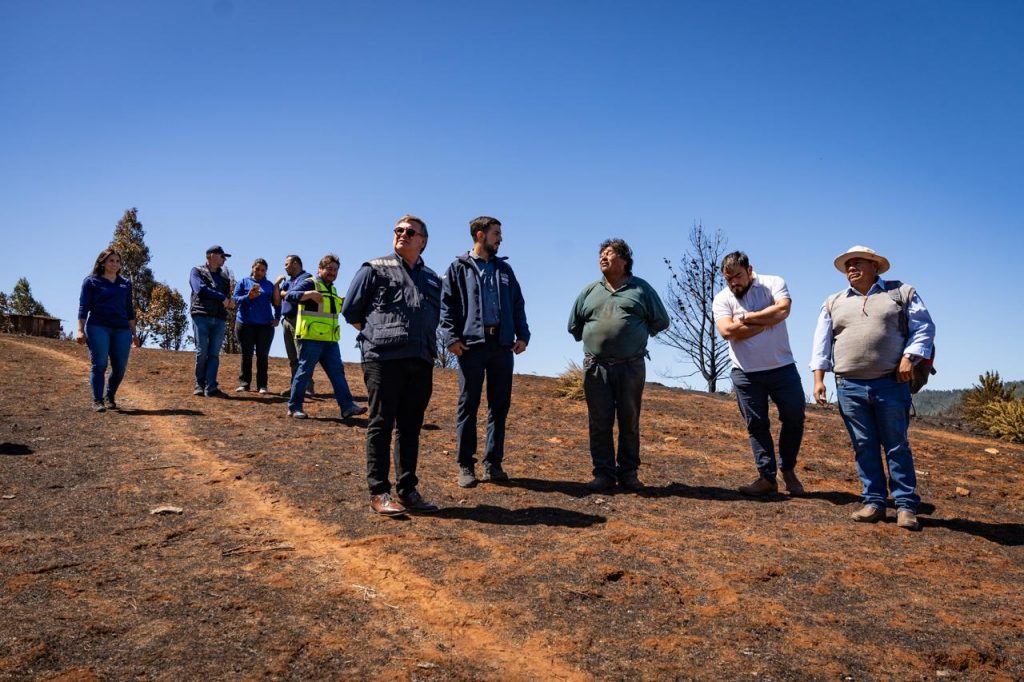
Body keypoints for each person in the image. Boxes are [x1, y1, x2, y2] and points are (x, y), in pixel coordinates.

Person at [811, 245, 935, 531]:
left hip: (891, 383)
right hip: (849, 385)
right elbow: (822, 343)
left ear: (875, 267)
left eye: (858, 263)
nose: (851, 269)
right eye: (848, 265)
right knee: (863, 445)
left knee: (896, 444)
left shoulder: (900, 293)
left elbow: (924, 328)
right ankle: (874, 502)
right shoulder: (833, 301)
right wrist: (819, 379)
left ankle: (905, 506)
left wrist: (908, 358)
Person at [342, 215, 442, 516]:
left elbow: (436, 318)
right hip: (383, 358)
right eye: (398, 230)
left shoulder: (434, 279)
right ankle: (379, 491)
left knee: (411, 426)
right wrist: (377, 335)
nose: (403, 235)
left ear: (423, 241)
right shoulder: (373, 268)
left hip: (421, 358)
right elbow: (352, 311)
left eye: (410, 232)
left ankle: (407, 490)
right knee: (381, 422)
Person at [568, 239, 670, 492]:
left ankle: (628, 474)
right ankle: (603, 474)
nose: (603, 257)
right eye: (601, 253)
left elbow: (661, 321)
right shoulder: (590, 291)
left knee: (629, 419)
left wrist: (633, 334)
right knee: (599, 421)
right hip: (596, 367)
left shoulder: (641, 289)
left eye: (609, 253)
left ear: (624, 260)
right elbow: (575, 326)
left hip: (631, 366)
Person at [440, 216, 531, 488]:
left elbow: (517, 303)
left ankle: (493, 463)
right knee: (468, 404)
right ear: (480, 235)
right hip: (471, 346)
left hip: (502, 345)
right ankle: (465, 466)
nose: (500, 238)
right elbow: (447, 307)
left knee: (499, 405)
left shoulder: (505, 270)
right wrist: (451, 339)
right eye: (496, 233)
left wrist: (523, 335)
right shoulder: (458, 268)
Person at [713, 251, 806, 496]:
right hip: (745, 373)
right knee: (756, 425)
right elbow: (726, 331)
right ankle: (767, 477)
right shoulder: (722, 299)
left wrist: (747, 318)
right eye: (728, 278)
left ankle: (788, 469)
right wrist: (767, 320)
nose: (734, 283)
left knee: (794, 417)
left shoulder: (773, 283)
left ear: (750, 270)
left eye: (738, 276)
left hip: (782, 367)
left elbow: (784, 310)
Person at [285, 254, 368, 421]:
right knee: (304, 373)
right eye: (329, 269)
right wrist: (308, 294)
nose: (332, 272)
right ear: (320, 269)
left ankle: (347, 407)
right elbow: (289, 295)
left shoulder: (333, 289)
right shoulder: (311, 283)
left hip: (330, 341)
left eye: (335, 270)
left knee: (338, 373)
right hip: (311, 338)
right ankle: (294, 407)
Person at [77, 248, 138, 412]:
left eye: (117, 261)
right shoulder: (91, 282)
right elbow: (84, 307)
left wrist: (134, 333)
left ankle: (109, 396)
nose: (115, 264)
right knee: (100, 364)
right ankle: (97, 400)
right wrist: (80, 330)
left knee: (119, 367)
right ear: (102, 263)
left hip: (122, 329)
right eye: (111, 260)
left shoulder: (125, 284)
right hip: (98, 326)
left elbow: (129, 309)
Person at [189, 245, 235, 397]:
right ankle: (199, 385)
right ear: (211, 255)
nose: (224, 259)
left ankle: (211, 387)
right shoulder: (196, 271)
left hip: (219, 318)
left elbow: (227, 298)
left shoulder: (224, 277)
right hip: (201, 315)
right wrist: (222, 298)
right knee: (202, 352)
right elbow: (200, 289)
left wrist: (229, 302)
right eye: (222, 256)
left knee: (214, 354)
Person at [233, 257, 281, 393]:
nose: (259, 272)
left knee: (262, 356)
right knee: (246, 355)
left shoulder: (270, 285)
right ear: (252, 268)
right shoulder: (243, 282)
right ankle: (244, 383)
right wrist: (248, 297)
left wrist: (277, 317)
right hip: (245, 324)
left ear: (266, 272)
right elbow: (235, 299)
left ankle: (262, 385)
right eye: (257, 269)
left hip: (265, 326)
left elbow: (277, 303)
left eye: (263, 270)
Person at [275, 255, 316, 396]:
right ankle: (295, 386)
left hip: (300, 319)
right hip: (286, 320)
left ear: (296, 263)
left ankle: (307, 386)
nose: (285, 266)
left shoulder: (306, 277)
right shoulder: (289, 281)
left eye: (287, 263)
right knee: (292, 357)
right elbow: (278, 298)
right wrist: (276, 285)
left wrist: (284, 292)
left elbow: (290, 294)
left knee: (302, 355)